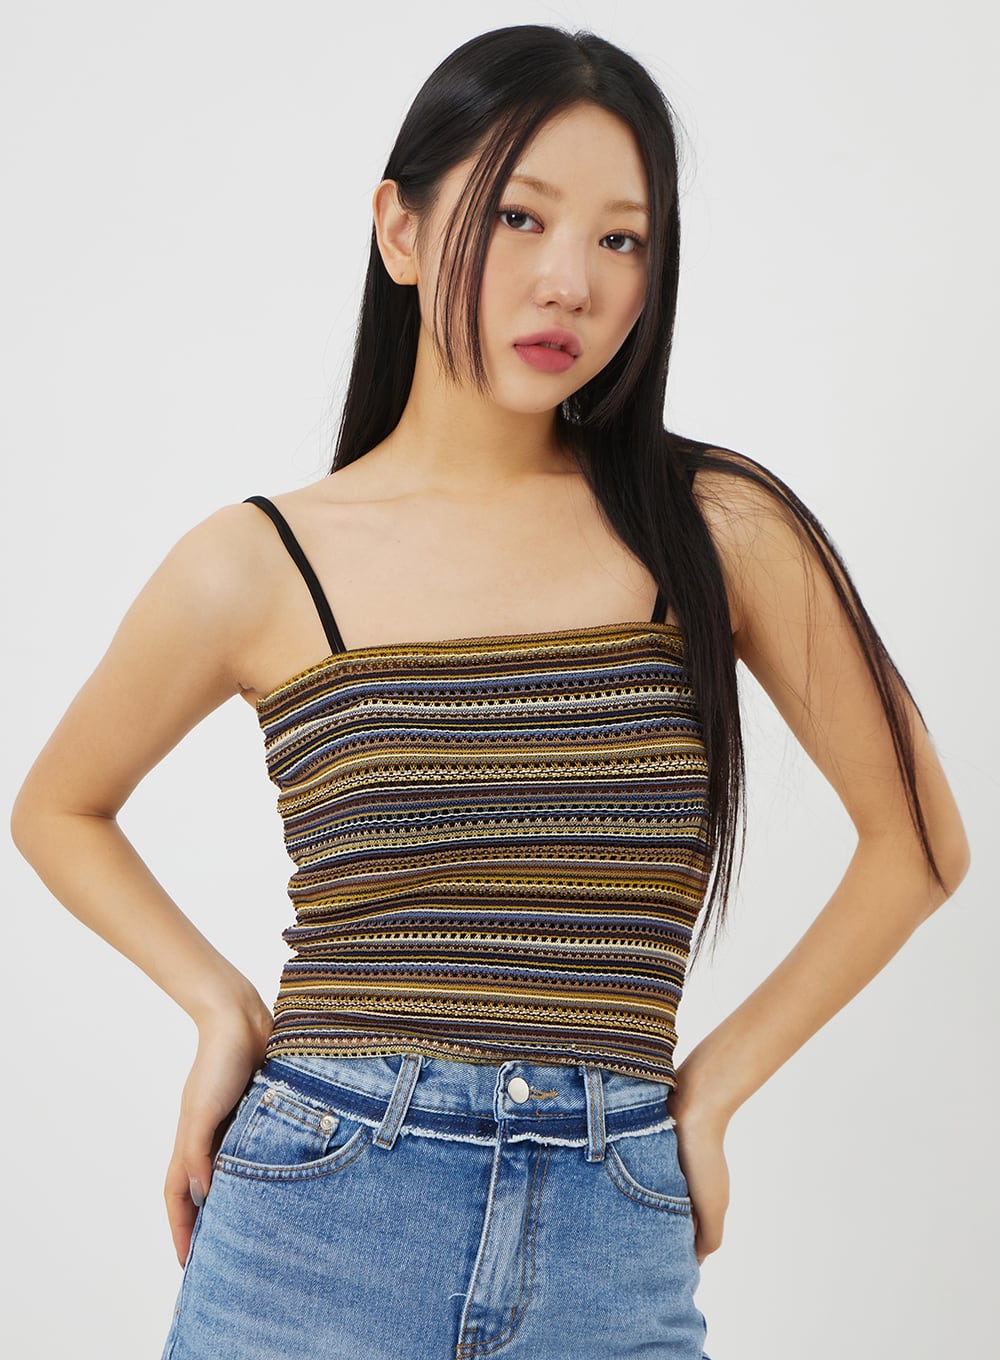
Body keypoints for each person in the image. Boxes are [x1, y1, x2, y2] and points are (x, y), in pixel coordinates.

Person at [10, 23, 969, 1360]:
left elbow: (918, 844)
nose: (571, 280)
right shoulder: (259, 562)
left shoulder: (717, 530)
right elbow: (58, 807)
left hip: (613, 1231)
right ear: (400, 230)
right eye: (520, 217)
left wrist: (709, 1095)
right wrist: (219, 1003)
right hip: (315, 1218)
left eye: (623, 239)